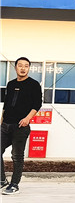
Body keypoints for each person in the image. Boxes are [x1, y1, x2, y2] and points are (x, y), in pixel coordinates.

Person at [1, 57, 43, 195]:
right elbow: (6, 104)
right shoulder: (11, 84)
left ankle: (14, 184)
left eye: (26, 66)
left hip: (20, 126)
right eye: (20, 65)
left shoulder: (33, 85)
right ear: (16, 68)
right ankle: (2, 180)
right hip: (5, 125)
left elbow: (37, 104)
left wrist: (27, 118)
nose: (23, 68)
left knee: (17, 156)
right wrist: (1, 121)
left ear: (29, 68)